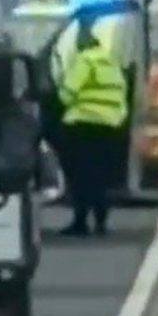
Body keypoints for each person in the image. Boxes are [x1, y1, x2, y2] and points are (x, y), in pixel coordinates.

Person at [56, 20, 129, 237]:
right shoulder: (111, 63)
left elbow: (67, 92)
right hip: (109, 127)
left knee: (80, 176)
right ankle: (101, 222)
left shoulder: (85, 60)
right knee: (100, 177)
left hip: (83, 126)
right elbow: (121, 99)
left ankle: (80, 222)